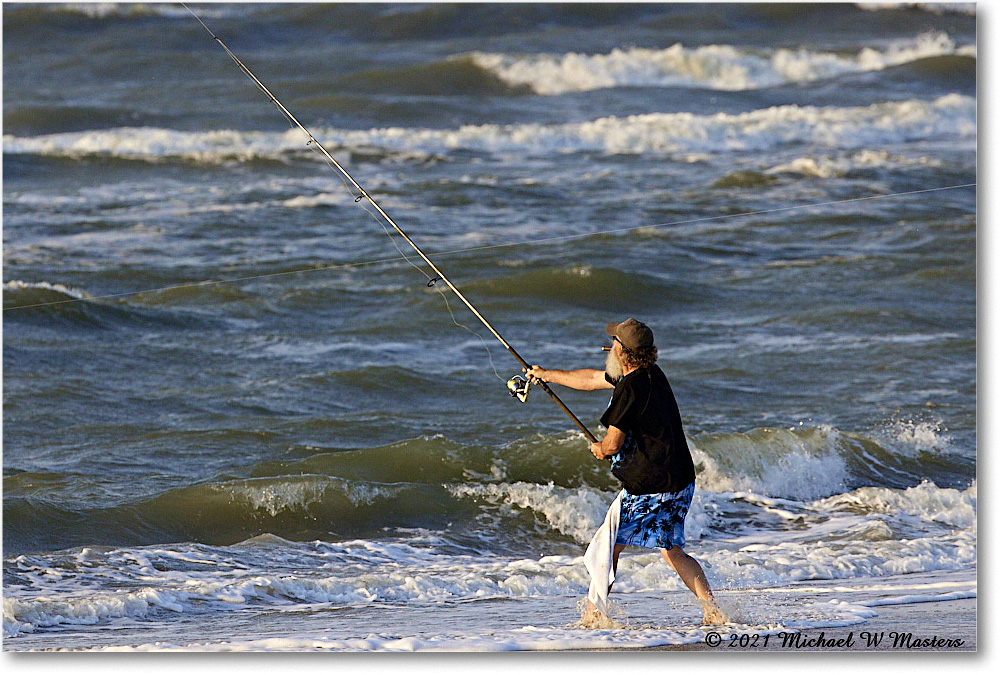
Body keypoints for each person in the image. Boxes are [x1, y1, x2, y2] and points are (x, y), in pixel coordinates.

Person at [526, 318, 724, 625]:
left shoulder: (630, 389)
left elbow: (613, 444)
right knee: (672, 550)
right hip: (680, 480)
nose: (609, 347)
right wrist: (546, 376)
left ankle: (594, 616)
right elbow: (592, 378)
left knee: (606, 547)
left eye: (613, 343)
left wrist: (600, 449)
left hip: (650, 487)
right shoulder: (651, 375)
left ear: (622, 352)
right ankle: (712, 610)